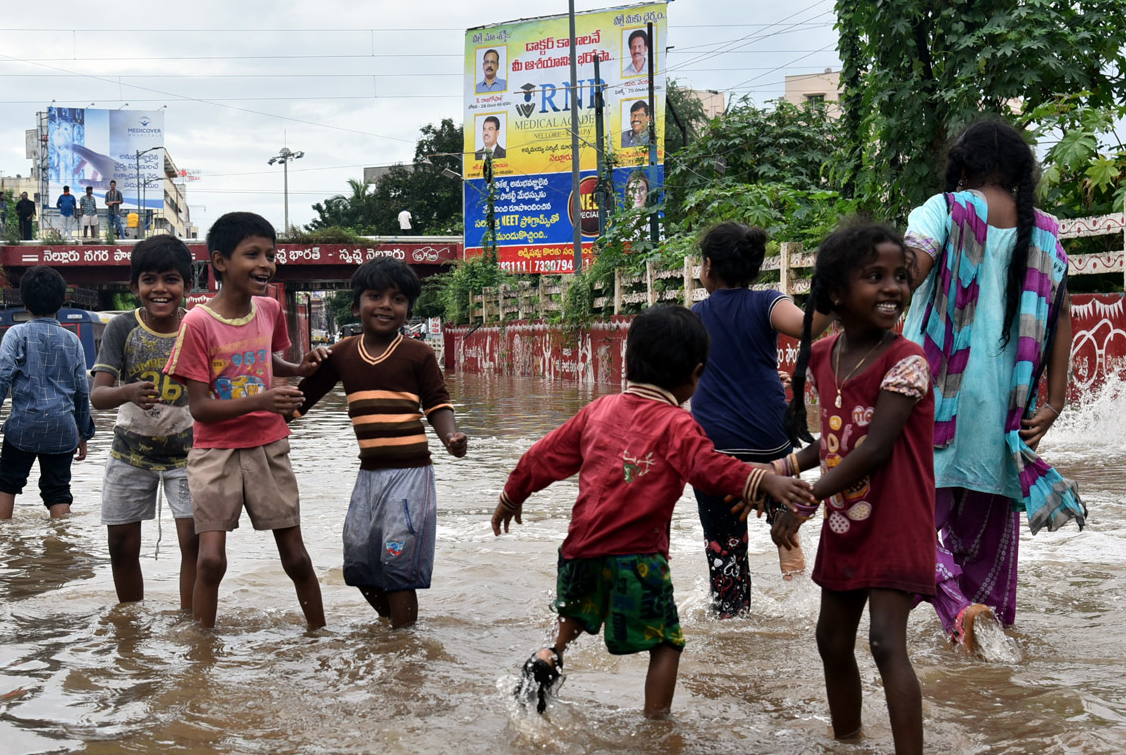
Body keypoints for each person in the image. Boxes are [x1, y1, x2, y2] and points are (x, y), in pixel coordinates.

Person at [492, 305, 814, 718]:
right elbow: (710, 468)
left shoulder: (598, 411)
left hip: (579, 551)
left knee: (575, 616)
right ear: (696, 375)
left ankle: (547, 654)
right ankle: (656, 725)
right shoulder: (677, 425)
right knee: (666, 644)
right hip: (638, 559)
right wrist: (766, 480)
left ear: (629, 361)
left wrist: (511, 496)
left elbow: (542, 457)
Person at [902, 118, 1085, 652]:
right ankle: (983, 652)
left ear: (964, 164)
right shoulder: (1046, 233)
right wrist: (1054, 400)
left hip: (930, 404)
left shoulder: (945, 210)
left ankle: (955, 608)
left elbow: (910, 268)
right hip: (1004, 417)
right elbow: (1063, 315)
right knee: (987, 561)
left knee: (904, 528)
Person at [774, 222, 934, 755]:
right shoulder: (822, 356)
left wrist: (805, 497)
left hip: (896, 520)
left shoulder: (907, 360)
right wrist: (783, 468)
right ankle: (847, 754)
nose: (892, 288)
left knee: (886, 643)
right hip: (847, 521)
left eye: (899, 278)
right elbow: (838, 439)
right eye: (875, 277)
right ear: (837, 293)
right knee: (831, 642)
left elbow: (875, 448)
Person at [162, 211, 328, 630]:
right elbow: (199, 407)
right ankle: (202, 650)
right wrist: (264, 399)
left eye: (270, 255)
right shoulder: (197, 323)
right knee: (211, 559)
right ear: (220, 261)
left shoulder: (269, 310)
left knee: (296, 555)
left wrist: (298, 368)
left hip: (268, 445)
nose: (265, 264)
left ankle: (319, 636)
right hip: (215, 451)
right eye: (252, 254)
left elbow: (265, 361)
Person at [294, 256, 468, 629]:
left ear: (408, 310)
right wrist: (257, 408)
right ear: (356, 305)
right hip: (368, 477)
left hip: (410, 477)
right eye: (375, 296)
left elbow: (437, 402)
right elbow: (299, 403)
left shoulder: (419, 354)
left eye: (398, 299)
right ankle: (394, 627)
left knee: (398, 564)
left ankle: (403, 649)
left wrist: (450, 436)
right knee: (357, 565)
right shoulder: (340, 354)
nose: (387, 305)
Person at [690, 222, 833, 616]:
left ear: (707, 266)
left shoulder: (695, 316)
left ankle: (733, 620)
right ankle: (788, 544)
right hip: (770, 446)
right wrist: (830, 283)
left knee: (726, 556)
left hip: (716, 454)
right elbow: (811, 328)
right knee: (784, 513)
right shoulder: (766, 303)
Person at [91, 235, 198, 610]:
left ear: (187, 284)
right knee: (120, 546)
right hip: (129, 453)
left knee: (195, 546)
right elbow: (98, 395)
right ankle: (130, 622)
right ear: (134, 285)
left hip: (190, 456)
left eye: (171, 279)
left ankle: (192, 624)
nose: (160, 289)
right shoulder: (123, 328)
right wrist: (129, 391)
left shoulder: (198, 327)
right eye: (149, 280)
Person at [0, 265, 94, 520]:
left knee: (7, 483)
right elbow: (82, 393)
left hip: (23, 427)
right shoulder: (72, 340)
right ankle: (60, 550)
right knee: (58, 491)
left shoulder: (15, 335)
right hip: (63, 429)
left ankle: (1, 547)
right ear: (61, 303)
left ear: (25, 304)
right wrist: (83, 433)